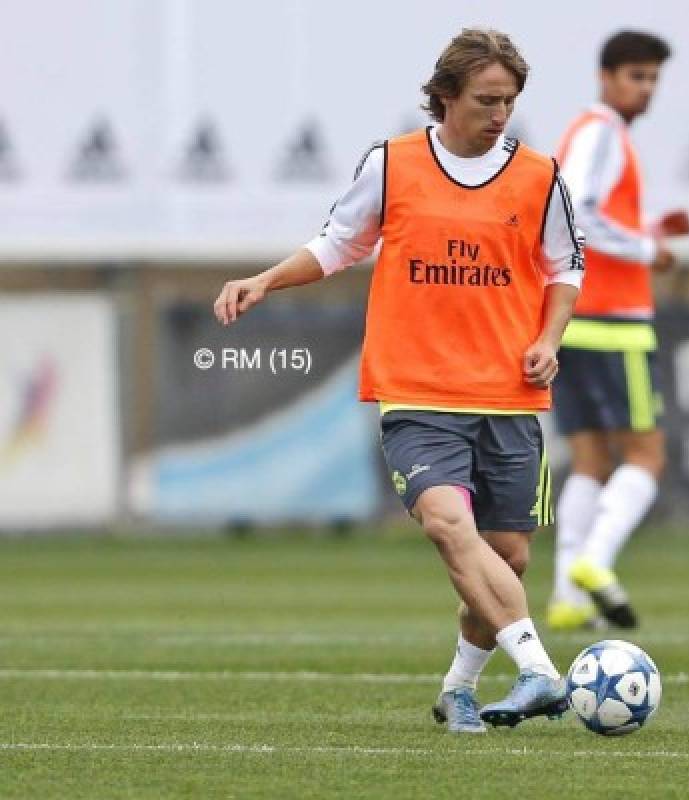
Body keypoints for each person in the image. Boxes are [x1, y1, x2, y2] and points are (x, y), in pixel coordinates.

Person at [213, 28, 584, 734]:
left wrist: (547, 338)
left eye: (509, 100)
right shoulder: (393, 165)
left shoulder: (541, 176)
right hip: (416, 393)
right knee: (450, 526)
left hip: (508, 396)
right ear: (444, 96)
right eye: (486, 99)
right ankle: (539, 671)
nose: (501, 113)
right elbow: (337, 243)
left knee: (505, 558)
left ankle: (458, 690)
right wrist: (265, 280)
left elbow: (567, 266)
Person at [546, 30, 689, 632]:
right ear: (606, 77)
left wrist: (649, 224)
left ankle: (565, 599)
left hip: (575, 320)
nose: (646, 89)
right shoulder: (602, 130)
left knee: (588, 461)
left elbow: (584, 210)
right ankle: (594, 563)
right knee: (647, 456)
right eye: (636, 75)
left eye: (653, 77)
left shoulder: (590, 133)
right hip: (615, 320)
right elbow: (579, 213)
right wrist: (644, 246)